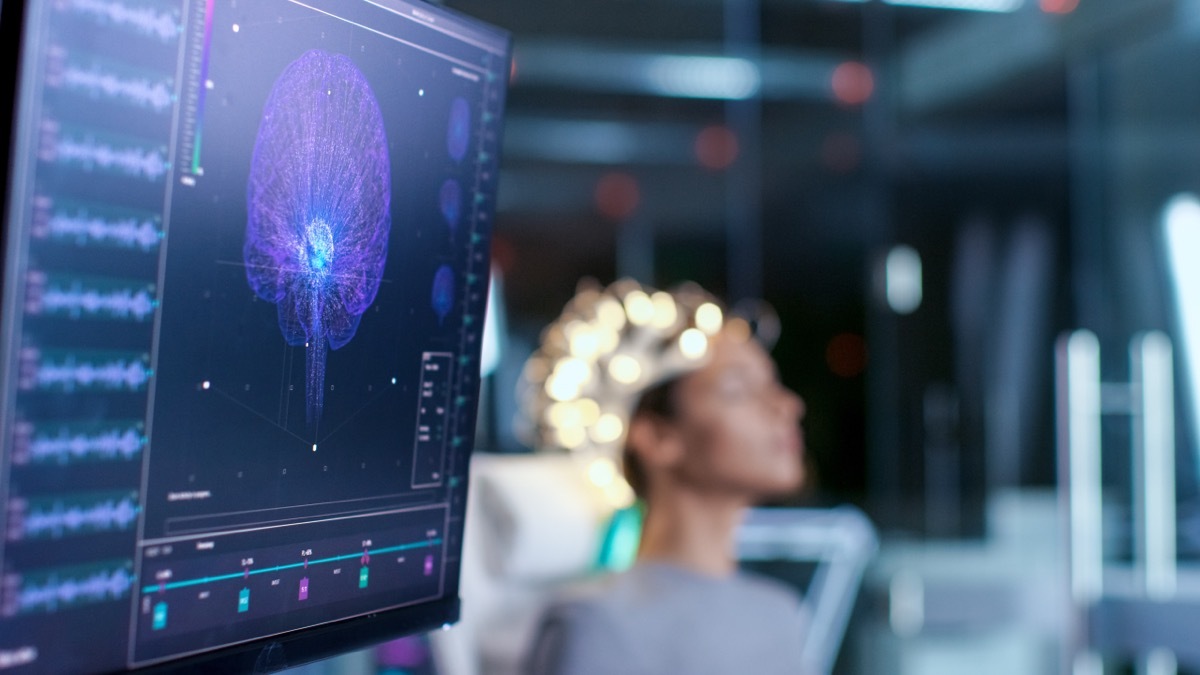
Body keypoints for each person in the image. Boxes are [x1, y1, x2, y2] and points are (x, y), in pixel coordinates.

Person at [519, 280, 812, 675]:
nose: (788, 406)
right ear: (656, 436)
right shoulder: (595, 625)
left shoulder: (780, 614)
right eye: (739, 389)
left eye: (773, 385)